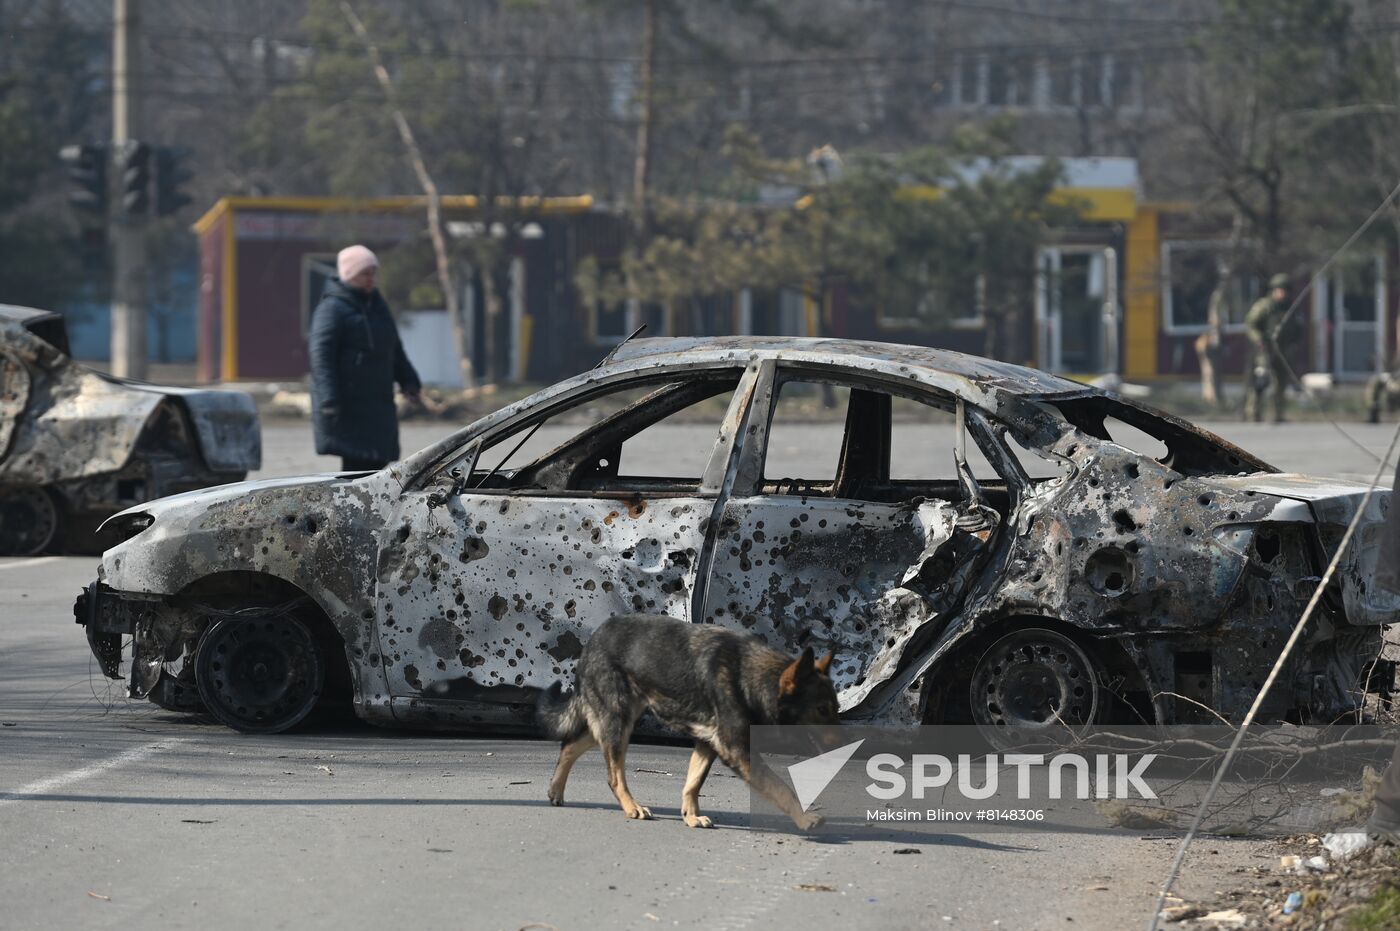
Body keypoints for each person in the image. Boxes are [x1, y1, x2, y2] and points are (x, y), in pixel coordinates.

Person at [309, 244, 422, 471]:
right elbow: (321, 357)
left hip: (378, 403)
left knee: (378, 469)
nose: (371, 279)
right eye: (365, 274)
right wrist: (328, 400)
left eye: (373, 273)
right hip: (350, 404)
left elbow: (394, 348)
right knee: (355, 471)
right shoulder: (332, 308)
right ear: (350, 274)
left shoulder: (377, 306)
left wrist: (409, 380)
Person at [1243, 273, 1295, 423]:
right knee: (1261, 381)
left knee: (1281, 383)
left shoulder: (1290, 308)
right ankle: (1253, 413)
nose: (1283, 293)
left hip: (1283, 350)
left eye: (1285, 290)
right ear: (1273, 290)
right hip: (1265, 350)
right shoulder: (1264, 306)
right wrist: (1258, 339)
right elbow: (1250, 325)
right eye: (1280, 289)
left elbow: (1297, 328)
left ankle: (1277, 414)